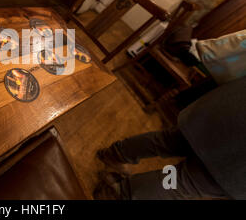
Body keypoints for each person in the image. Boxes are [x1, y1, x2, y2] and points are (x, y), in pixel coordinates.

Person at [93, 75, 246, 200]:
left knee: (168, 140)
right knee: (184, 182)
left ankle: (114, 154)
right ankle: (115, 194)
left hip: (233, 106)